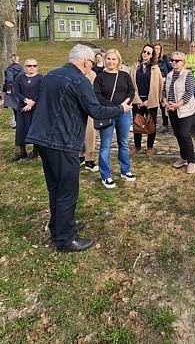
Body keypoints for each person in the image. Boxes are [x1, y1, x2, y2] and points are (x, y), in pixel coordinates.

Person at [25, 44, 132, 253]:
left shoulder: (51, 75)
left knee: (55, 188)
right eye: (91, 64)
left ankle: (60, 226)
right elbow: (96, 111)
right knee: (67, 190)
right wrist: (121, 109)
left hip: (41, 139)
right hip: (62, 142)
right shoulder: (79, 80)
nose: (91, 68)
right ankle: (65, 239)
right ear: (86, 62)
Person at [93, 49, 136, 188]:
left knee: (123, 143)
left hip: (124, 114)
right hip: (107, 113)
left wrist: (124, 104)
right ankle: (106, 175)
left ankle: (125, 170)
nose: (111, 61)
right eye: (109, 59)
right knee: (105, 145)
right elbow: (97, 95)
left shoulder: (124, 75)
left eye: (114, 59)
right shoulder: (100, 77)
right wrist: (114, 107)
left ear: (118, 61)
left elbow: (131, 90)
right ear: (105, 60)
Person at [163, 51, 195, 173]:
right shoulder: (169, 75)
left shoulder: (187, 75)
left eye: (177, 61)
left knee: (184, 135)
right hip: (171, 109)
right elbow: (164, 90)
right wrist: (166, 102)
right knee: (178, 134)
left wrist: (178, 105)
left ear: (183, 62)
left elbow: (189, 92)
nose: (174, 63)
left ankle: (191, 161)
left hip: (184, 110)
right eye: (172, 60)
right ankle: (183, 157)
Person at [131, 44, 164, 157]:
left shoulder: (155, 68)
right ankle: (137, 146)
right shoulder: (135, 67)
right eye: (144, 52)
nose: (145, 54)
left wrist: (152, 101)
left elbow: (159, 85)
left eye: (148, 53)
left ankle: (149, 147)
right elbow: (131, 84)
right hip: (138, 100)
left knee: (151, 124)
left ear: (152, 56)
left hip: (151, 100)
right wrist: (138, 100)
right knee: (137, 123)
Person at [9, 58, 43, 162]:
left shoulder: (41, 78)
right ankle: (22, 151)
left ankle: (35, 150)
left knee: (35, 128)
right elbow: (17, 91)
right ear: (25, 67)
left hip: (35, 107)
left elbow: (42, 92)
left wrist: (32, 103)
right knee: (21, 128)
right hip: (22, 106)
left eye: (34, 65)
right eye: (29, 66)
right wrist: (25, 100)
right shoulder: (20, 78)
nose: (32, 68)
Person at [80, 68, 99, 171]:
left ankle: (89, 158)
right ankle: (79, 156)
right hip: (75, 107)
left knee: (90, 133)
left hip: (88, 106)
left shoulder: (92, 74)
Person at [154, 43, 172, 133]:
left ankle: (165, 124)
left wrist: (167, 77)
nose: (156, 50)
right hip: (153, 85)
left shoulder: (165, 58)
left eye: (158, 48)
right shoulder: (151, 59)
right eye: (155, 48)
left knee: (163, 105)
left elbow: (170, 69)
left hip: (163, 83)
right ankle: (151, 123)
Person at [3, 53, 24, 128]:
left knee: (15, 106)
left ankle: (18, 123)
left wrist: (8, 88)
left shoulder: (10, 69)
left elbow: (9, 79)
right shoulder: (22, 68)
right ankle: (21, 122)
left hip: (13, 88)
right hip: (21, 87)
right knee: (20, 105)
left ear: (10, 60)